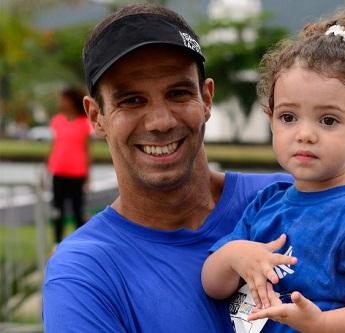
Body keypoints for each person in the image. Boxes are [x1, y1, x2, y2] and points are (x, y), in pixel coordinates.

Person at [42, 3, 290, 333]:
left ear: (206, 99)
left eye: (177, 93)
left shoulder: (287, 202)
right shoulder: (84, 273)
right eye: (131, 100)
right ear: (95, 116)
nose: (160, 121)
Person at [202, 10, 345, 333]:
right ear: (270, 119)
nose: (305, 134)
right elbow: (213, 285)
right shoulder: (267, 203)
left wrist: (323, 323)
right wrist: (234, 254)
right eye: (288, 117)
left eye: (328, 120)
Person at [47, 86, 92, 244]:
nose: (61, 102)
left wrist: (88, 176)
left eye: (63, 98)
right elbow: (54, 146)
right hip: (58, 172)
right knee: (57, 210)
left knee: (77, 211)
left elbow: (87, 150)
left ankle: (79, 243)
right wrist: (47, 170)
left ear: (71, 101)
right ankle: (56, 243)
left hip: (77, 173)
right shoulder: (57, 121)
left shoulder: (84, 123)